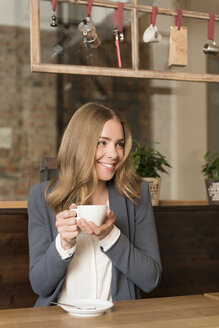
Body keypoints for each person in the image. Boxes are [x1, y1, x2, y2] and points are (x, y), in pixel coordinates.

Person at [28, 102, 162, 307]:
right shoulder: (42, 197)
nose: (114, 154)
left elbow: (151, 279)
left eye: (119, 143)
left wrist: (110, 236)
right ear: (79, 144)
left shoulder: (136, 194)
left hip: (118, 320)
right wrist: (63, 244)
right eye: (102, 143)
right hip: (60, 320)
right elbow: (39, 285)